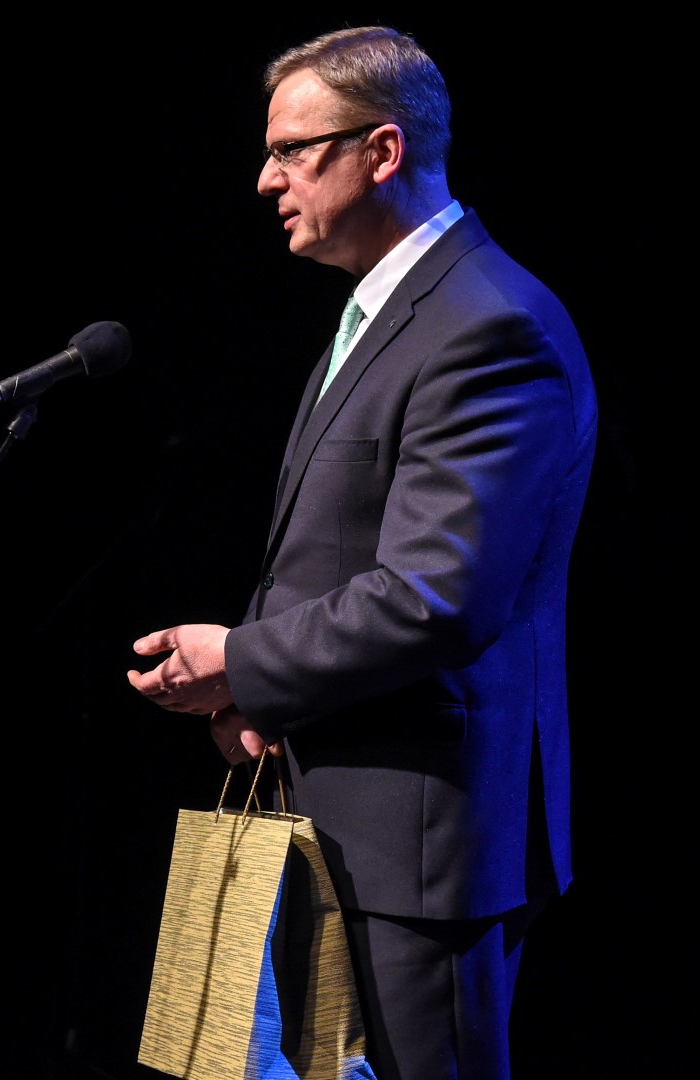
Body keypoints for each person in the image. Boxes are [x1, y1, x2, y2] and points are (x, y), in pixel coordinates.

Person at [126, 25, 597, 1080]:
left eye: (292, 151)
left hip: (421, 845)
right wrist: (262, 699)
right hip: (339, 809)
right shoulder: (387, 312)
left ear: (381, 151)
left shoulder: (489, 326)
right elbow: (335, 559)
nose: (267, 179)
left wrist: (240, 661)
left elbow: (437, 595)